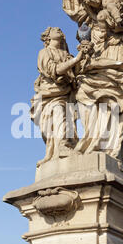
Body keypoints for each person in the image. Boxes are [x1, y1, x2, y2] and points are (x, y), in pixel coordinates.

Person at [31, 27, 84, 166]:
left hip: (67, 94)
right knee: (54, 119)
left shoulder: (67, 55)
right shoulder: (44, 52)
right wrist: (77, 59)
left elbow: (77, 71)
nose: (59, 30)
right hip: (49, 95)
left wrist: (84, 54)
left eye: (60, 29)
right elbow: (55, 70)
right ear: (48, 37)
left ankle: (65, 146)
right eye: (55, 29)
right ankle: (59, 149)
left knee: (67, 118)